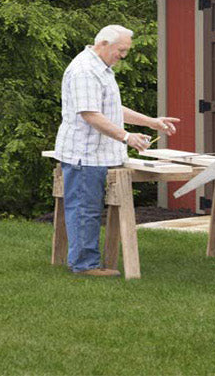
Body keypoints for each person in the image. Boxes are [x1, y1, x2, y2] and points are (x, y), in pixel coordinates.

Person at [54, 24, 178, 276]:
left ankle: (85, 261)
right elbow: (90, 114)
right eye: (121, 50)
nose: (123, 55)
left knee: (88, 208)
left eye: (126, 50)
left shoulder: (102, 69)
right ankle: (84, 266)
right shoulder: (85, 71)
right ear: (103, 44)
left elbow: (111, 109)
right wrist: (126, 137)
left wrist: (151, 122)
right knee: (84, 210)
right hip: (84, 154)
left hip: (98, 154)